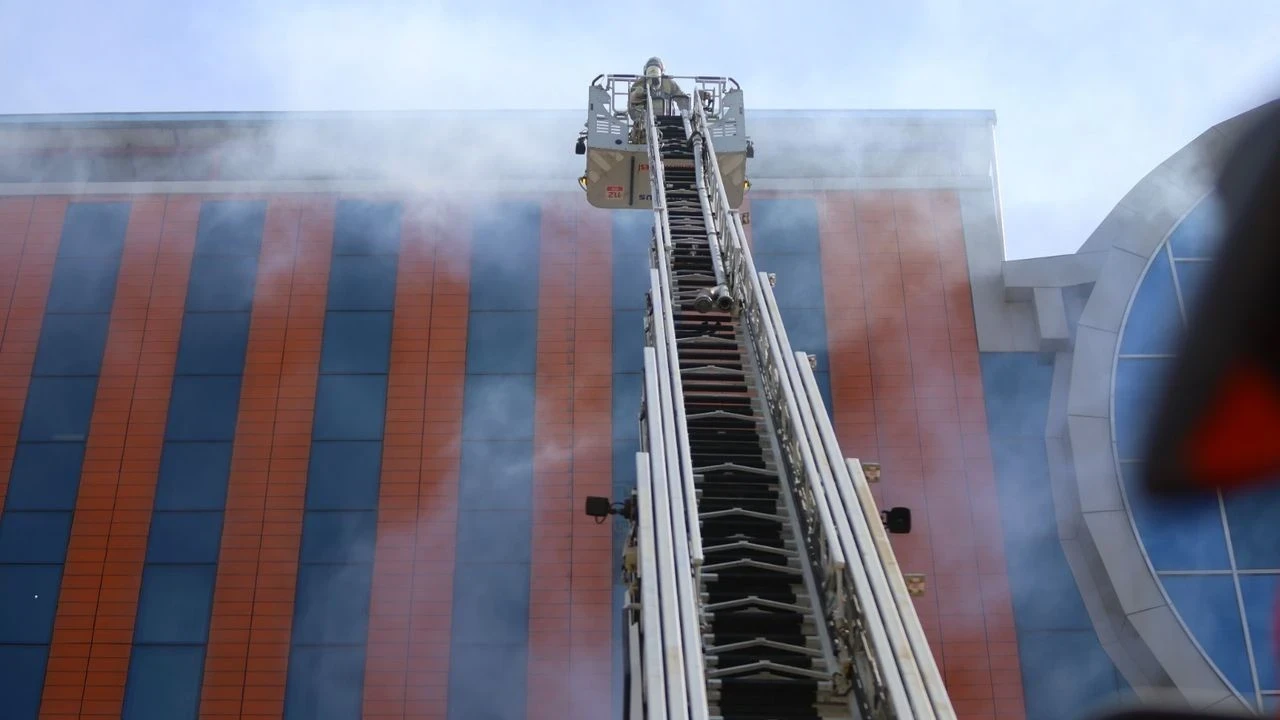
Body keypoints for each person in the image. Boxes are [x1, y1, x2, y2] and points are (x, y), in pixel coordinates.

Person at [627, 57, 689, 143]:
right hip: (646, 124)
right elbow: (632, 107)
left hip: (666, 122)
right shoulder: (640, 84)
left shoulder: (669, 83)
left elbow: (682, 99)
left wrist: (686, 113)